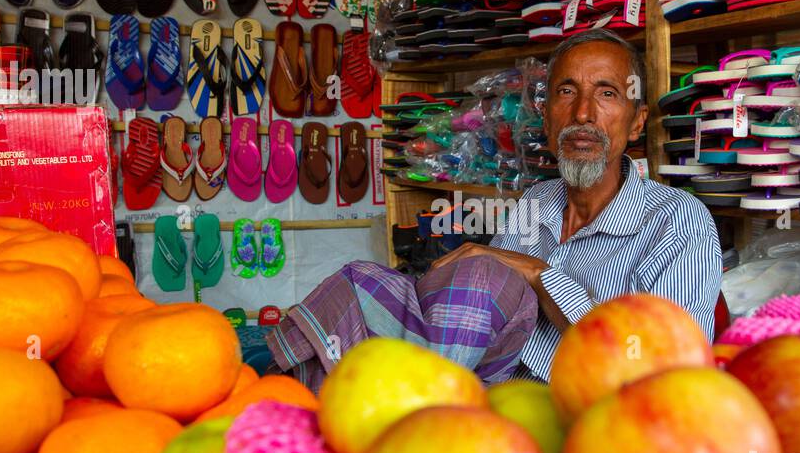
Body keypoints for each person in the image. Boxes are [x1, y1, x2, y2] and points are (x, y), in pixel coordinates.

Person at [264, 29, 723, 389]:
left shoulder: (679, 223)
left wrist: (540, 274)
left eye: (607, 94)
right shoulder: (536, 202)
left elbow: (667, 368)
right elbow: (487, 313)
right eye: (566, 92)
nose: (583, 113)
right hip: (486, 398)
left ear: (637, 119)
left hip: (586, 427)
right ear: (546, 117)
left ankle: (403, 402)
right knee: (367, 281)